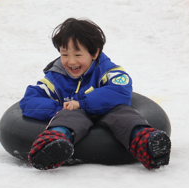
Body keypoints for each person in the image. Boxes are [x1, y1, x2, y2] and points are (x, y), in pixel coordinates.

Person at [19, 18, 171, 170]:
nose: (71, 62)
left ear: (95, 53)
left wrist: (82, 103)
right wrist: (58, 110)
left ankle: (148, 144)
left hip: (109, 113)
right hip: (73, 118)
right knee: (69, 115)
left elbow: (121, 90)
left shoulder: (108, 70)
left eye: (78, 55)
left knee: (123, 113)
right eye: (65, 55)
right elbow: (30, 100)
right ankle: (52, 145)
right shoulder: (56, 78)